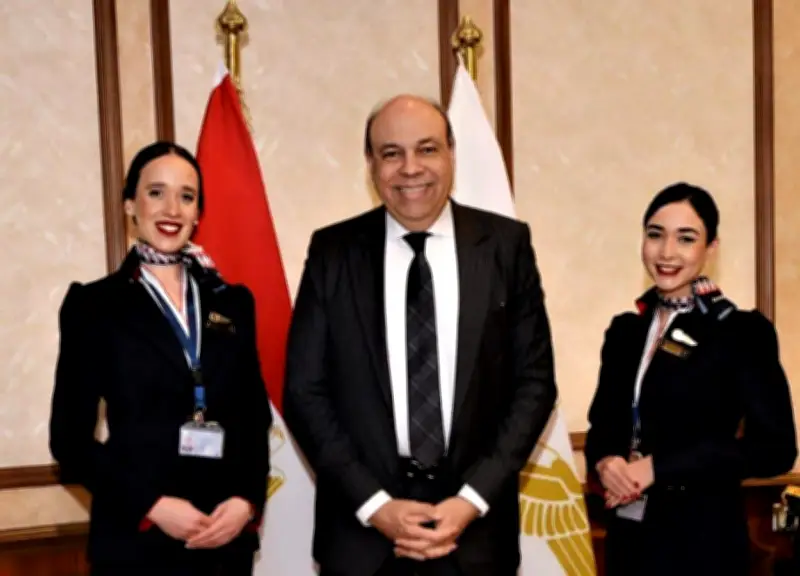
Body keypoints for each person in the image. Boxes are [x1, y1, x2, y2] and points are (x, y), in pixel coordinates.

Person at [283, 95, 557, 576]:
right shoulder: (332, 252)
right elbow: (304, 391)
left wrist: (470, 500)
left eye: (427, 149)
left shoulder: (505, 246)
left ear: (451, 153)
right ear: (371, 164)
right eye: (391, 153)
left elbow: (534, 385)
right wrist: (375, 506)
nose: (410, 168)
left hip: (475, 537)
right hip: (362, 540)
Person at [49, 141, 272, 576]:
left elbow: (253, 417)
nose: (172, 208)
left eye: (186, 196)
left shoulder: (233, 302)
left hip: (223, 542)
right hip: (137, 544)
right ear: (130, 205)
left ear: (198, 212)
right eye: (156, 192)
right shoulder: (93, 306)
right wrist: (151, 505)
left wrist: (246, 501)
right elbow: (69, 441)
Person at [584, 182, 798, 575]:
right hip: (629, 541)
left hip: (703, 542)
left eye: (686, 238)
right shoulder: (625, 331)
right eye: (656, 235)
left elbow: (776, 449)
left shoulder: (740, 332)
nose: (667, 252)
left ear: (710, 248)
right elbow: (603, 426)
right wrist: (606, 462)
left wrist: (658, 467)